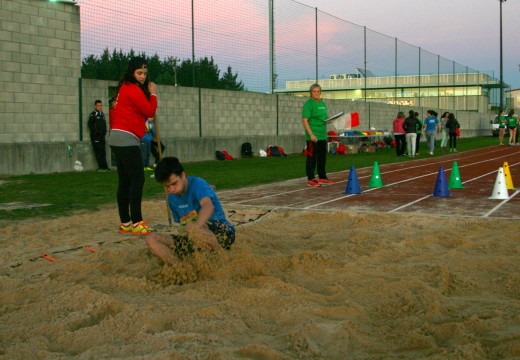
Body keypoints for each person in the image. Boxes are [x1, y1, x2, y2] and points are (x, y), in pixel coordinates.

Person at [145, 157, 235, 265]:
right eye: (167, 186)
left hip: (221, 232)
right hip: (193, 237)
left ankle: (223, 259)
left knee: (192, 227)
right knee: (151, 238)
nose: (171, 189)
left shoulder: (198, 184)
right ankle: (180, 268)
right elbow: (182, 225)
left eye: (174, 184)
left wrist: (195, 227)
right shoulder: (172, 198)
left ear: (183, 175)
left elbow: (208, 206)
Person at [109, 57, 158, 236]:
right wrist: (153, 94)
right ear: (132, 73)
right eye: (139, 73)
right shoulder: (132, 88)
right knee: (138, 179)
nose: (143, 77)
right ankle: (137, 222)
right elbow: (149, 111)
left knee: (125, 181)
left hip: (117, 136)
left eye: (145, 73)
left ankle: (126, 223)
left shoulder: (123, 88)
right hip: (126, 138)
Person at [301, 83, 334, 187]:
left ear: (320, 92)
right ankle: (311, 179)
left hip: (322, 135)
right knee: (312, 157)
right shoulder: (308, 104)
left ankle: (322, 177)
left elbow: (324, 118)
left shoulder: (322, 103)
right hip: (313, 136)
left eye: (318, 91)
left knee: (322, 157)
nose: (316, 93)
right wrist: (311, 134)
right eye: (314, 91)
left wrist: (330, 120)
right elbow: (305, 120)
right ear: (311, 93)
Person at [88, 100, 110, 171]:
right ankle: (101, 167)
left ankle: (105, 166)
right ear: (95, 106)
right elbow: (90, 124)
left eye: (100, 105)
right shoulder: (93, 114)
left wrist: (105, 131)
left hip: (102, 136)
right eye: (98, 105)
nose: (100, 107)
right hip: (96, 136)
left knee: (103, 151)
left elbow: (104, 124)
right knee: (98, 151)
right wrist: (95, 132)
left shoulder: (102, 114)